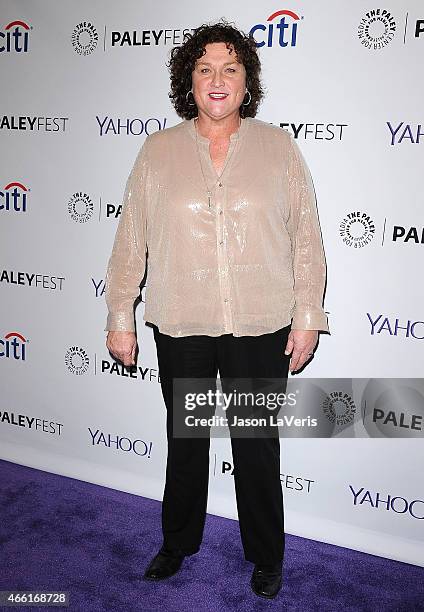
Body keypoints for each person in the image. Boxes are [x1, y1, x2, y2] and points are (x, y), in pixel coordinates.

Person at [104, 19, 329, 600]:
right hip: (182, 320)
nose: (218, 79)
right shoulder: (158, 151)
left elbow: (306, 236)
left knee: (256, 447)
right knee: (186, 440)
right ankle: (176, 543)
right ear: (189, 81)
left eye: (230, 67)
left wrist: (308, 315)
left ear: (247, 80)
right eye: (204, 68)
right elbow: (132, 237)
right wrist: (119, 314)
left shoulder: (278, 147)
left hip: (260, 320)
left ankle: (267, 555)